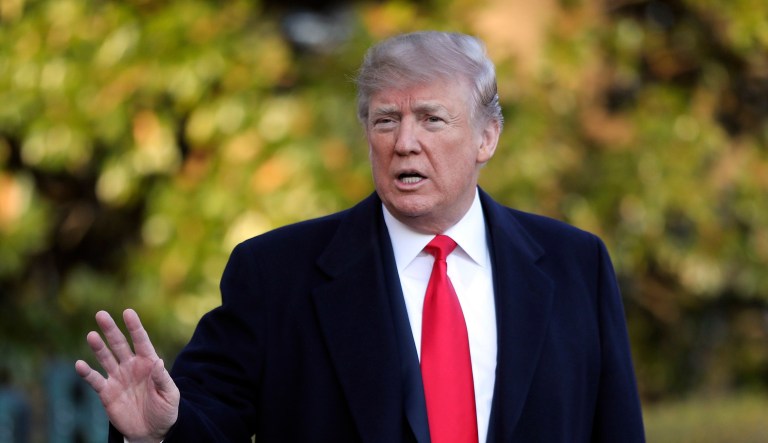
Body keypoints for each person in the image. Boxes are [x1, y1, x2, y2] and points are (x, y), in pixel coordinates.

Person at [75, 31, 646, 442]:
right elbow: (207, 413)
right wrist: (159, 433)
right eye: (385, 120)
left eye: (432, 119)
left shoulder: (577, 265)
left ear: (487, 136)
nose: (405, 142)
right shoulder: (276, 274)